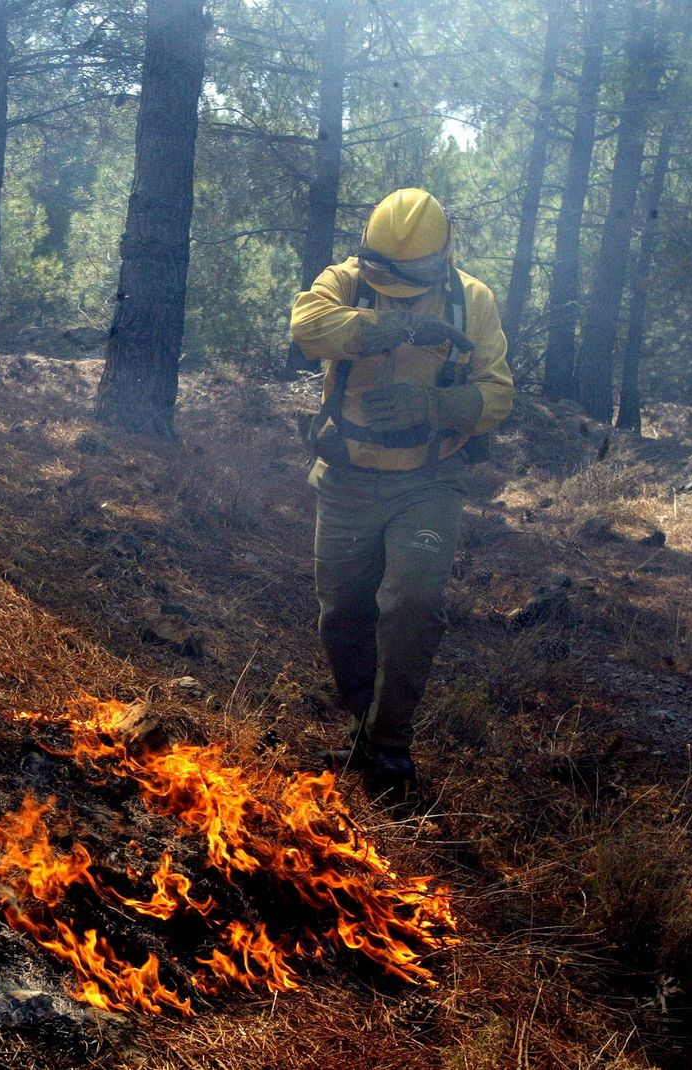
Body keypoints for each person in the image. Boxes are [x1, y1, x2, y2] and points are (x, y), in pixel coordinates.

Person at [290, 188, 513, 801]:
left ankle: (390, 745)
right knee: (342, 616)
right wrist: (393, 326)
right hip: (346, 480)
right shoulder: (345, 280)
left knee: (413, 601)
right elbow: (306, 327)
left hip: (428, 481)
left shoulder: (473, 301)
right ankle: (366, 726)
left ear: (440, 259)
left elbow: (499, 392)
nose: (386, 285)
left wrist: (439, 403)